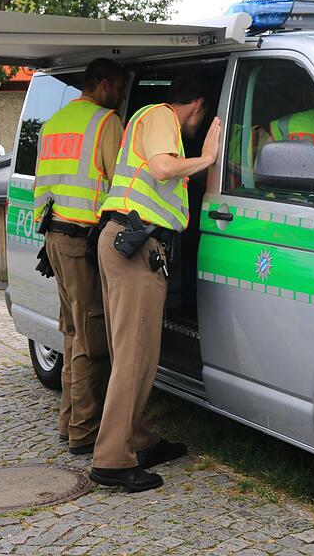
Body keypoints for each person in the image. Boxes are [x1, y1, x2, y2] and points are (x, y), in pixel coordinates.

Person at [90, 74, 221, 492]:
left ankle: (139, 439)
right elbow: (164, 168)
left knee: (135, 353)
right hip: (135, 244)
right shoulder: (163, 116)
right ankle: (112, 461)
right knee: (134, 356)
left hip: (125, 240)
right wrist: (207, 157)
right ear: (196, 105)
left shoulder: (145, 119)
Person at [33, 58, 125, 455]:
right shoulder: (106, 122)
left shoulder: (53, 123)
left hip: (54, 238)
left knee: (72, 333)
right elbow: (123, 180)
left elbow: (45, 182)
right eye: (119, 87)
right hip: (84, 239)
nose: (121, 96)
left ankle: (69, 422)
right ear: (103, 84)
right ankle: (85, 432)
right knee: (92, 339)